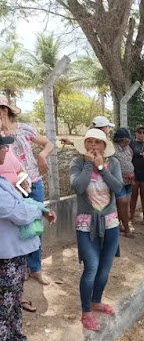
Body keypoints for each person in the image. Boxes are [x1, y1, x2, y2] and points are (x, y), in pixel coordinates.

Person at [0, 133, 56, 341]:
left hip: (11, 255)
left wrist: (40, 208)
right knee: (5, 308)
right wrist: (37, 211)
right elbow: (19, 213)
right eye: (3, 147)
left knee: (13, 303)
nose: (7, 150)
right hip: (5, 257)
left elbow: (20, 205)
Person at [70, 128, 123, 331]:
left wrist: (102, 168)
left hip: (110, 222)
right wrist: (88, 166)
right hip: (86, 224)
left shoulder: (114, 163)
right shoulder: (77, 163)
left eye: (97, 142)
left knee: (105, 267)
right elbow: (78, 187)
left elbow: (118, 188)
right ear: (84, 146)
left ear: (104, 145)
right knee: (91, 267)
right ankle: (86, 312)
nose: (93, 146)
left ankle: (96, 301)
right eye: (89, 142)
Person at [0, 95, 54, 285]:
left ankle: (36, 268)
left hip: (33, 182)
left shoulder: (24, 129)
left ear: (4, 110)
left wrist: (42, 155)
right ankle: (19, 268)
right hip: (9, 191)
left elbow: (48, 143)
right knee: (13, 228)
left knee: (35, 226)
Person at [113, 127, 135, 238]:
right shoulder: (112, 150)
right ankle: (127, 229)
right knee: (123, 202)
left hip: (128, 181)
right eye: (126, 139)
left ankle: (119, 224)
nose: (128, 141)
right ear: (120, 139)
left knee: (124, 204)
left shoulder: (128, 149)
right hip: (118, 181)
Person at [130, 124, 144, 224]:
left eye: (143, 133)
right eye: (139, 132)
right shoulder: (132, 144)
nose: (141, 134)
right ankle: (132, 216)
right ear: (136, 133)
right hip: (134, 173)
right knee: (133, 195)